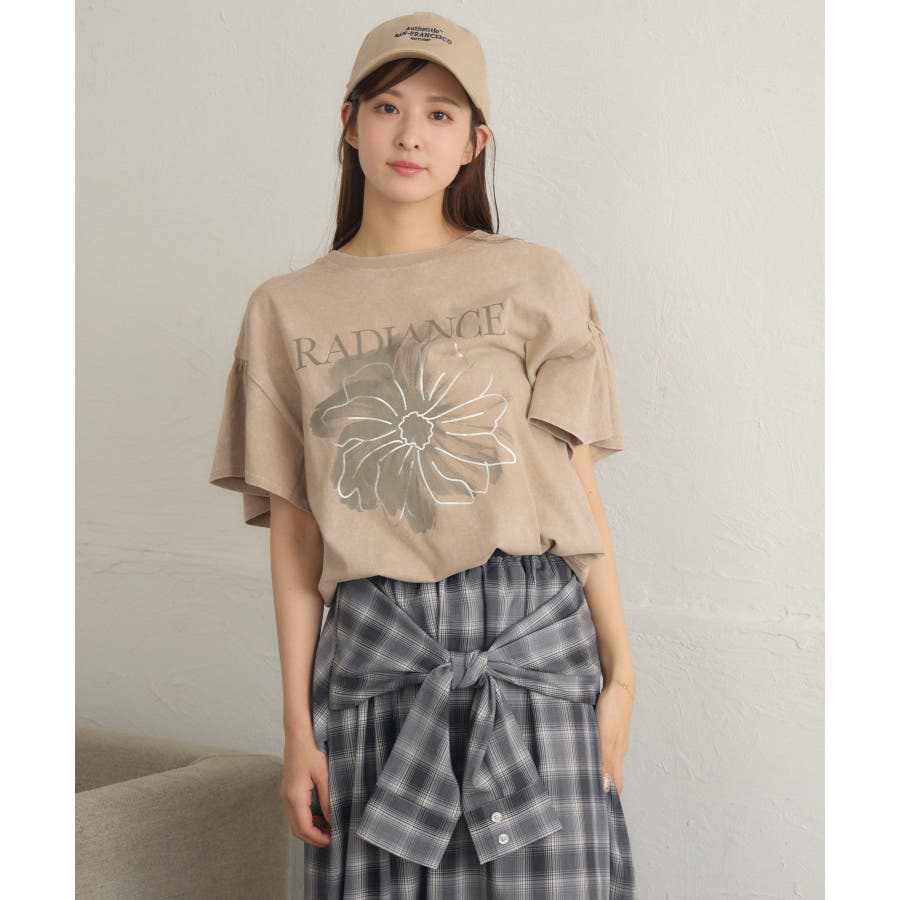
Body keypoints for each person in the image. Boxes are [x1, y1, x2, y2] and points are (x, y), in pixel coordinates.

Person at [208, 10, 637, 899]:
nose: (412, 134)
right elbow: (296, 532)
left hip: (533, 653)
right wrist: (297, 728)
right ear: (349, 123)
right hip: (379, 658)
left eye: (441, 114)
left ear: (476, 143)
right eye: (388, 107)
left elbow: (576, 488)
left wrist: (622, 675)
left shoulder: (536, 279)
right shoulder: (285, 309)